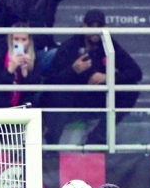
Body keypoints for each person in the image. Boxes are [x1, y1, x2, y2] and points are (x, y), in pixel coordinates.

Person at [43, 9, 142, 145]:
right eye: (91, 26)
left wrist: (108, 77)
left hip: (98, 97)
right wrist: (73, 71)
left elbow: (136, 72)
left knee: (131, 90)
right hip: (73, 98)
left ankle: (97, 138)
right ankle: (52, 144)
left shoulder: (109, 44)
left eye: (99, 26)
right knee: (57, 96)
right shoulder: (70, 46)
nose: (95, 30)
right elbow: (51, 80)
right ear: (83, 27)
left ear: (105, 28)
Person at [0, 24, 41, 108]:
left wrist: (25, 73)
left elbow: (33, 90)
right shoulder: (0, 53)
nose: (19, 43)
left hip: (22, 102)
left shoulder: (34, 57)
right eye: (16, 39)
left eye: (24, 39)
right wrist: (10, 70)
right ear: (11, 40)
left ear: (29, 41)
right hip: (0, 102)